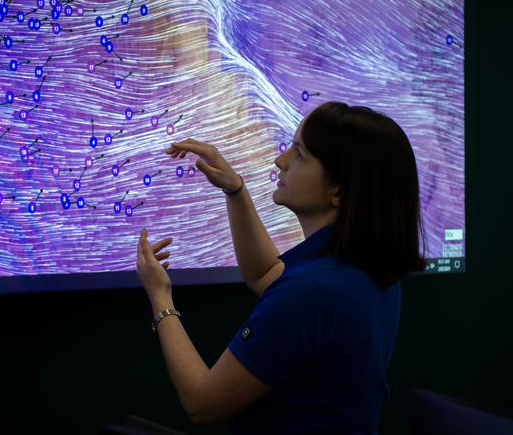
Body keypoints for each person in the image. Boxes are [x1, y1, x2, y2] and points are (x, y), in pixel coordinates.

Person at [135, 101, 426, 434]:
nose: (281, 160)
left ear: (338, 192)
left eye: (299, 154)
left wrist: (161, 298)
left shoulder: (312, 291)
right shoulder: (366, 267)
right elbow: (265, 274)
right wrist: (235, 190)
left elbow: (203, 405)